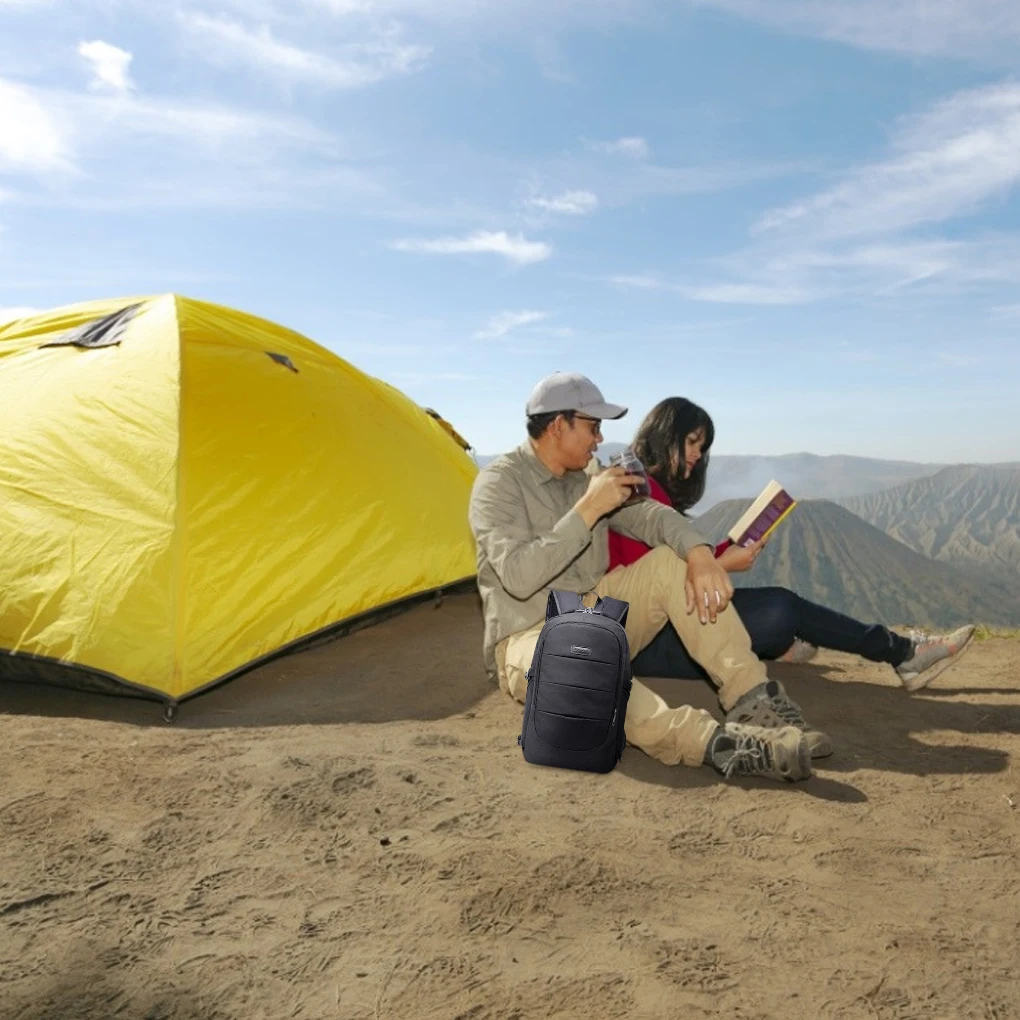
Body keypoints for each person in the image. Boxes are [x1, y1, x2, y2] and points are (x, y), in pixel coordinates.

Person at [468, 372, 833, 784]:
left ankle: (753, 701)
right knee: (578, 656)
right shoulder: (497, 485)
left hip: (595, 606)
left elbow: (648, 515)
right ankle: (721, 745)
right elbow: (517, 576)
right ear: (558, 425)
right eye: (592, 426)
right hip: (529, 635)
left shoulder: (587, 474)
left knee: (670, 562)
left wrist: (698, 553)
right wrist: (587, 510)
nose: (599, 439)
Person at [609, 397, 976, 693]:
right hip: (648, 643)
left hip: (660, 636)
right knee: (782, 610)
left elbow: (671, 568)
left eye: (702, 447)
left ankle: (795, 644)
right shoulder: (641, 494)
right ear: (664, 436)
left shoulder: (644, 487)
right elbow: (658, 589)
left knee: (778, 614)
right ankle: (904, 654)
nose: (697, 454)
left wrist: (725, 551)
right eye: (692, 442)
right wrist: (724, 565)